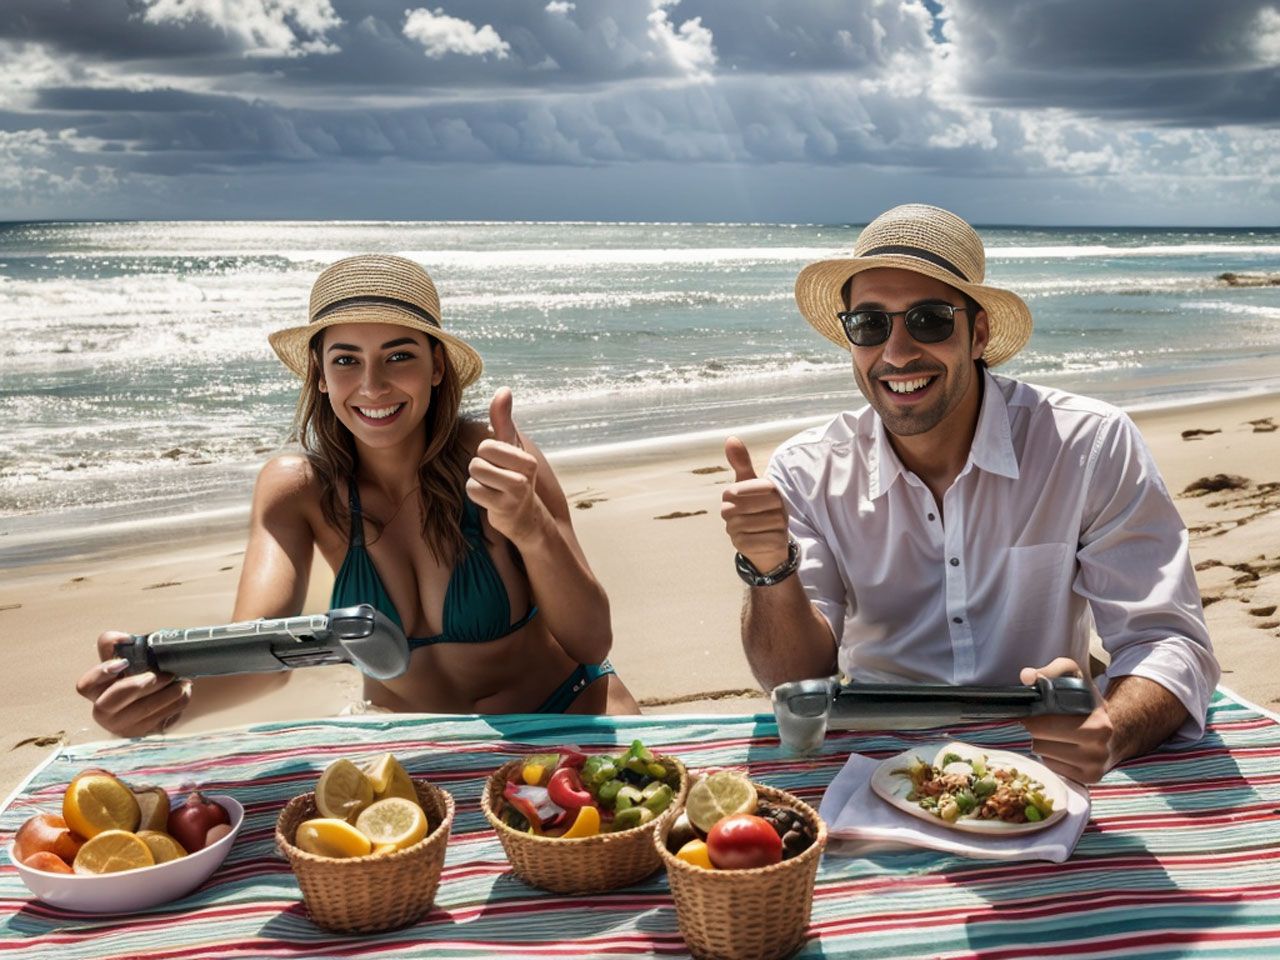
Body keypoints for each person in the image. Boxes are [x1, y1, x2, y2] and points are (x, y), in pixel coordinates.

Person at [720, 204, 1218, 784]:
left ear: (978, 334)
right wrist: (769, 568)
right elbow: (793, 679)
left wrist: (1112, 728)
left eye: (929, 321)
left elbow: (1167, 639)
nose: (897, 352)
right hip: (876, 757)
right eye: (869, 325)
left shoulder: (1087, 445)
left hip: (1047, 753)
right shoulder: (807, 470)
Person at [77, 254, 638, 736]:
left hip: (566, 716)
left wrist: (530, 525)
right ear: (319, 375)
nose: (372, 385)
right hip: (421, 753)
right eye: (346, 360)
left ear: (437, 366)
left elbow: (591, 640)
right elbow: (261, 655)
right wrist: (166, 700)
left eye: (399, 356)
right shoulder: (297, 490)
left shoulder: (495, 460)